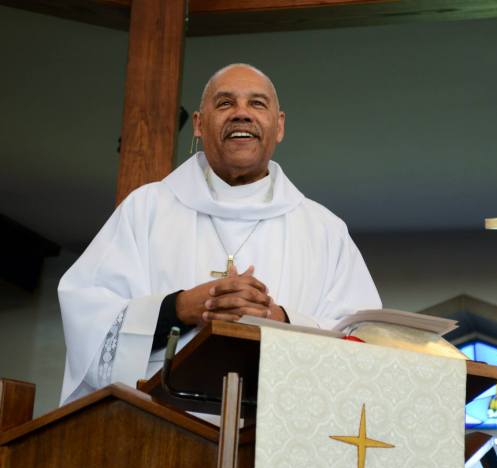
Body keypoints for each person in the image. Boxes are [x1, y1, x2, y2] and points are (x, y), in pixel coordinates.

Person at [58, 64, 381, 405]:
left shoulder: (324, 230)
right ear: (199, 124)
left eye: (257, 103)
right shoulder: (147, 209)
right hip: (159, 423)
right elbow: (88, 317)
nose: (241, 113)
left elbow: (364, 341)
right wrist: (179, 308)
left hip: (275, 422)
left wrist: (279, 319)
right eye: (225, 103)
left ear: (279, 126)